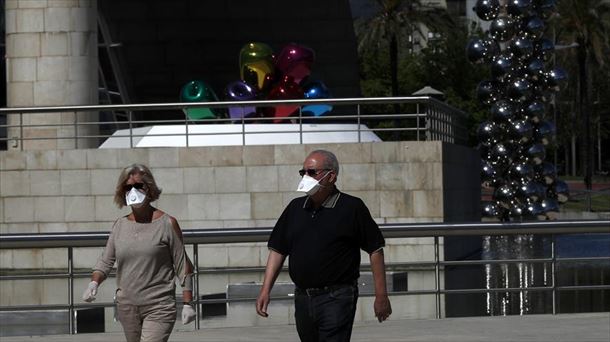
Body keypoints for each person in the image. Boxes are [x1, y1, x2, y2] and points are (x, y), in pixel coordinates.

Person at [256, 150, 392, 342]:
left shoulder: (351, 207)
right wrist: (265, 290)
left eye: (312, 172)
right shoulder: (296, 208)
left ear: (331, 176)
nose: (305, 177)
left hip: (337, 297)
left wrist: (381, 296)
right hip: (303, 296)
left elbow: (375, 250)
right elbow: (278, 250)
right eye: (303, 172)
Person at [82, 164, 196, 342]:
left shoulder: (167, 223)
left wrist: (188, 303)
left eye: (138, 186)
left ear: (149, 188)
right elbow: (106, 261)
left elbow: (183, 265)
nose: (133, 191)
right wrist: (93, 283)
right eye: (128, 187)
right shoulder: (120, 225)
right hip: (127, 307)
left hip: (159, 306)